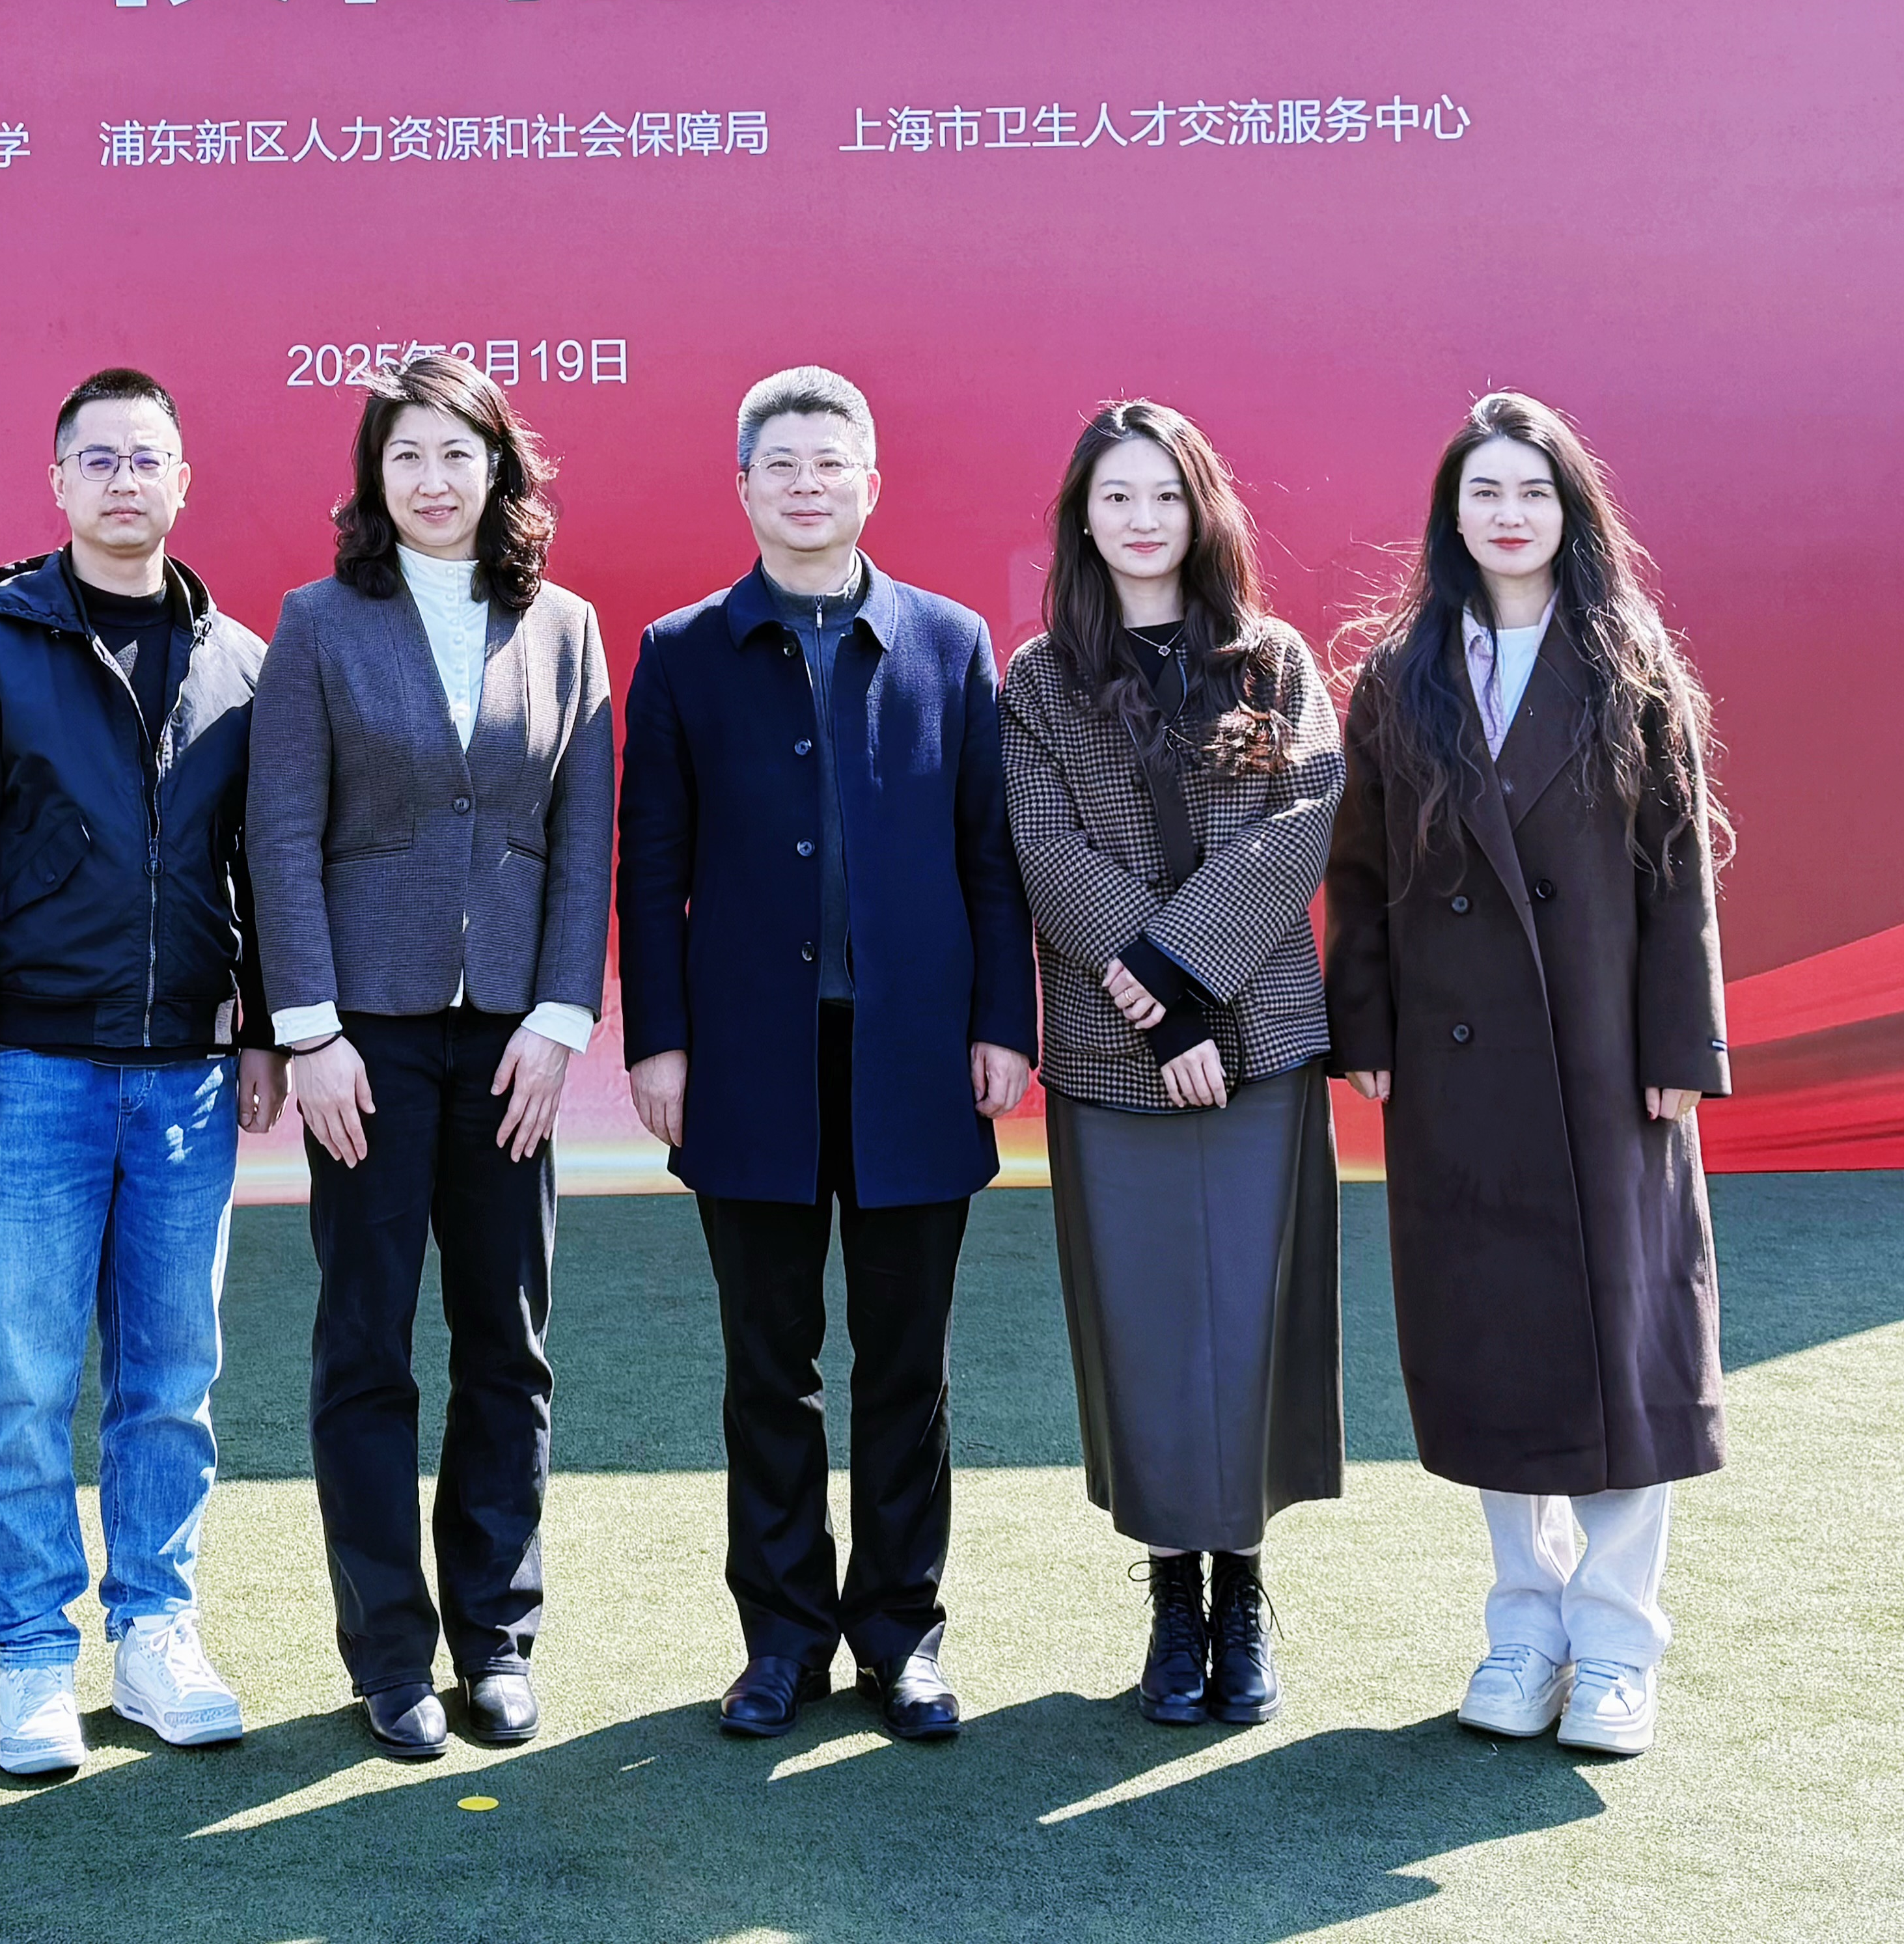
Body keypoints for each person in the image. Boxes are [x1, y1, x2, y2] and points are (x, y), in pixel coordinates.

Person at [618, 365, 1036, 1745]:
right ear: (743, 486)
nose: (807, 485)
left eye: (830, 462)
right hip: (749, 1065)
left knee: (907, 1370)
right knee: (769, 1368)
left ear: (871, 482)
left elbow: (991, 854)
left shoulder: (949, 643)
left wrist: (1004, 1021)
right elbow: (652, 866)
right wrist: (660, 1042)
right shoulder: (684, 651)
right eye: (781, 465)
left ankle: (901, 1637)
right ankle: (783, 1641)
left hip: (915, 1057)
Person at [0, 368, 281, 1777]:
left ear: (184, 483)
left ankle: (156, 1631)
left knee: (172, 1378)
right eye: (96, 459)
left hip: (183, 1082)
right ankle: (34, 1652)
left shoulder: (239, 663)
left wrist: (261, 1025)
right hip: (29, 1074)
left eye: (146, 458)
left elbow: (263, 862)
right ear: (56, 484)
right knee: (24, 1384)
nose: (123, 481)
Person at [1323, 390, 1730, 1759]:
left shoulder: (1627, 659)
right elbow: (1359, 874)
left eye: (1534, 490)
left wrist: (1680, 1045)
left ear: (1572, 511)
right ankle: (1525, 1624)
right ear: (1451, 515)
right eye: (1484, 491)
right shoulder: (1401, 675)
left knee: (1627, 1345)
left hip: (1610, 1062)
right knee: (1491, 1343)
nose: (1509, 514)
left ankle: (1616, 1642)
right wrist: (1368, 1030)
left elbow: (1677, 868)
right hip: (1458, 1065)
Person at [247, 355, 615, 1760]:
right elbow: (281, 834)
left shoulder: (565, 625)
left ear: (499, 469)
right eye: (406, 454)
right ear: (375, 477)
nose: (434, 479)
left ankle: (497, 1638)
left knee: (507, 1343)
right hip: (366, 1040)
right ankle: (390, 1654)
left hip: (515, 1039)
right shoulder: (319, 622)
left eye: (459, 452)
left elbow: (584, 833)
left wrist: (561, 1018)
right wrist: (311, 1029)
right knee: (365, 1343)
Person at [1000, 402, 1345, 1731]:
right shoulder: (1040, 678)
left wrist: (1193, 980)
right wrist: (1159, 1013)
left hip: (1258, 1040)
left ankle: (1242, 1593)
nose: (1143, 519)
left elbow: (1301, 817)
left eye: (1165, 494)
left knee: (1250, 1320)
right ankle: (1170, 1598)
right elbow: (1044, 847)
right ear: (1082, 519)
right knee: (1145, 1330)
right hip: (1114, 1053)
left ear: (1204, 509)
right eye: (1117, 496)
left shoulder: (1271, 661)